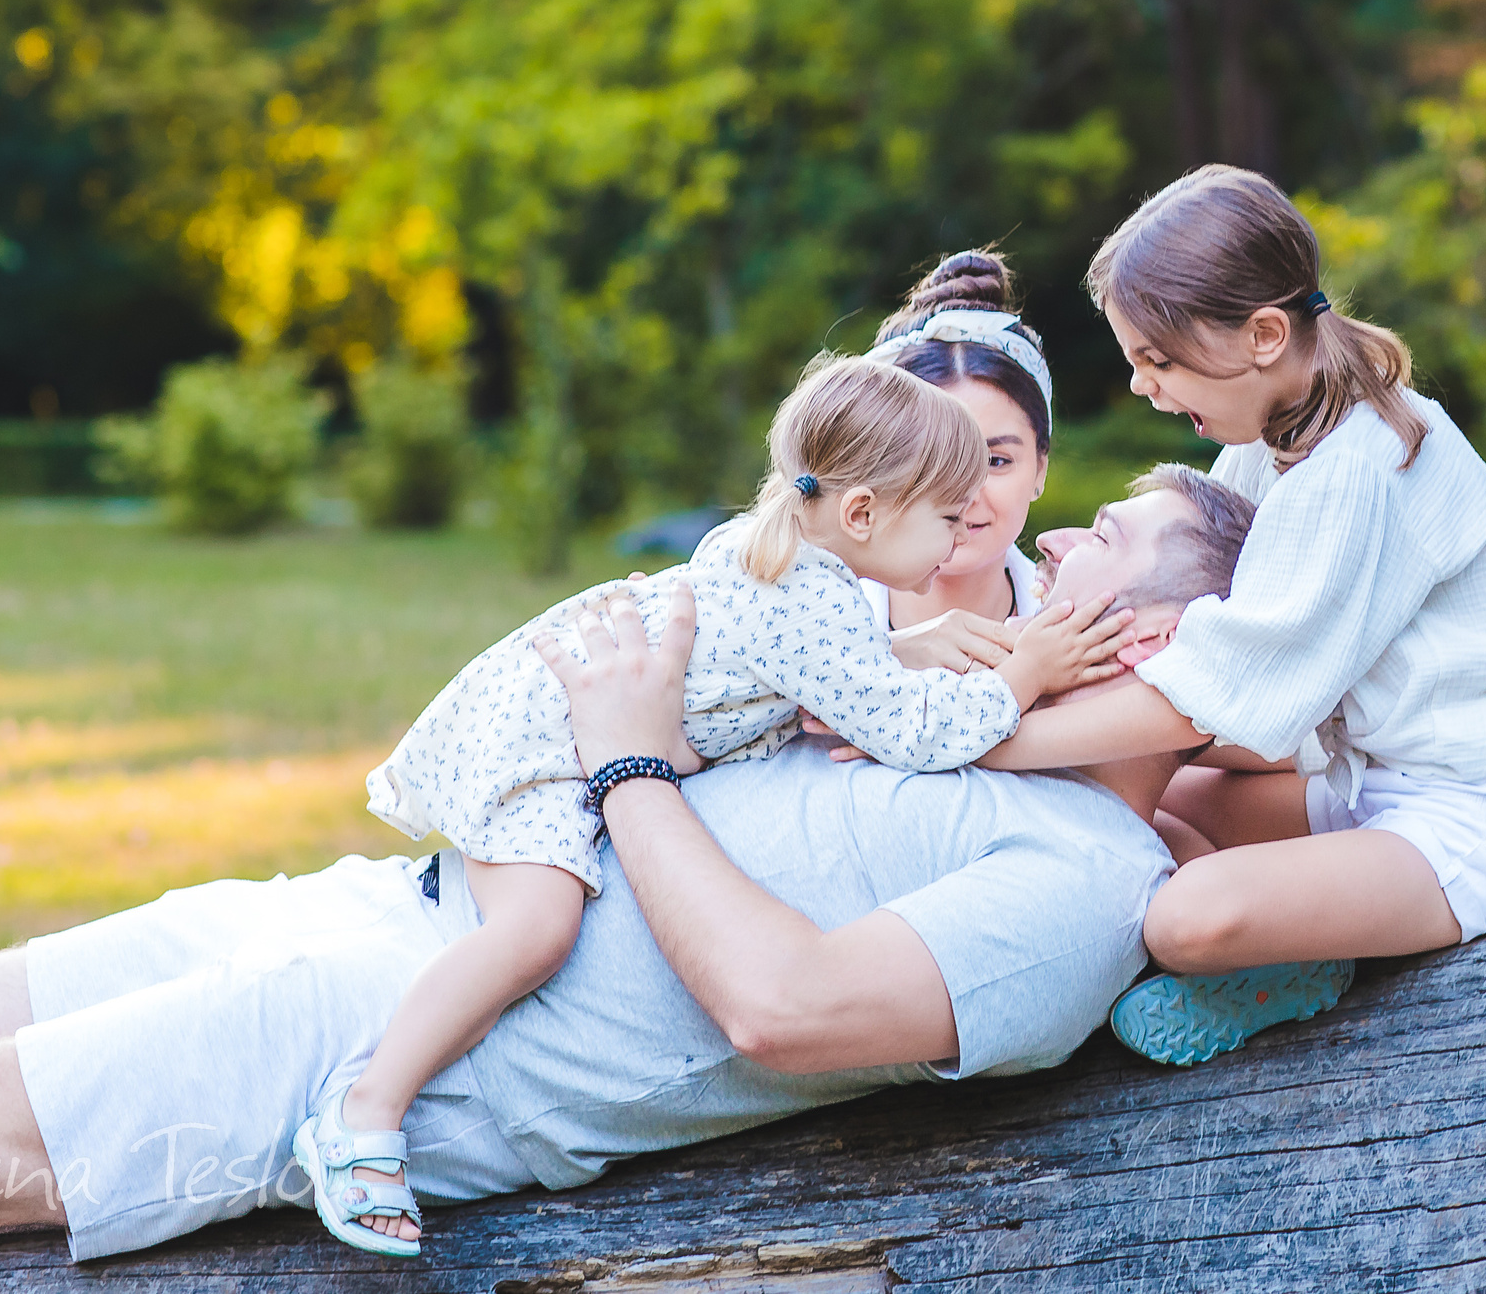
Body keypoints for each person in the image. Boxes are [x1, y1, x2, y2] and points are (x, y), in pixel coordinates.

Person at [0, 471, 1251, 1290]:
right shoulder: (986, 736)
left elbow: (785, 1007)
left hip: (431, 1052)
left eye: (1105, 538)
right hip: (408, 901)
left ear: (1152, 640)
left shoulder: (1080, 881)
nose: (1053, 536)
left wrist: (629, 763)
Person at [314, 354, 1130, 1254]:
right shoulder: (807, 600)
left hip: (562, 713)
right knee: (534, 930)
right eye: (944, 515)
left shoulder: (784, 553)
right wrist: (1026, 674)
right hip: (548, 744)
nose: (959, 532)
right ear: (863, 513)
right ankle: (365, 1111)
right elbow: (915, 733)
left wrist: (916, 649)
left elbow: (828, 676)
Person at [974, 164, 1486, 1067]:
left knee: (1185, 916)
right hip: (1354, 785)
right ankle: (1288, 916)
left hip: (1465, 824)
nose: (1141, 386)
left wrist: (994, 735)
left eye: (1159, 360)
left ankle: (1290, 957)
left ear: (1263, 335)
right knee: (1138, 796)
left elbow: (1206, 697)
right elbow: (1183, 623)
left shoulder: (1361, 468)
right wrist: (1012, 662)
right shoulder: (1272, 444)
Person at [859, 250, 1056, 664]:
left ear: (1040, 468)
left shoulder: (1080, 628)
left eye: (996, 461)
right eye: (931, 460)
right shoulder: (794, 624)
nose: (964, 496)